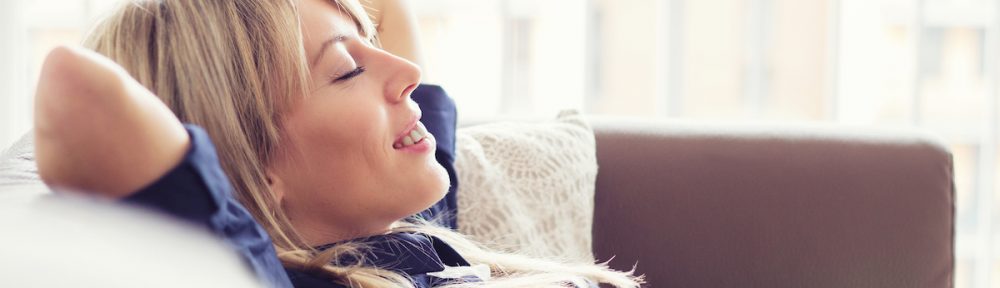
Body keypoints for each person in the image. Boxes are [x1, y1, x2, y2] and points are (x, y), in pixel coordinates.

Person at [33, 0, 644, 287]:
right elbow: (73, 87)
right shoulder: (257, 275)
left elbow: (397, 21)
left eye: (368, 41)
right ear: (253, 165)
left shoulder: (393, 234)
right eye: (347, 70)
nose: (404, 69)